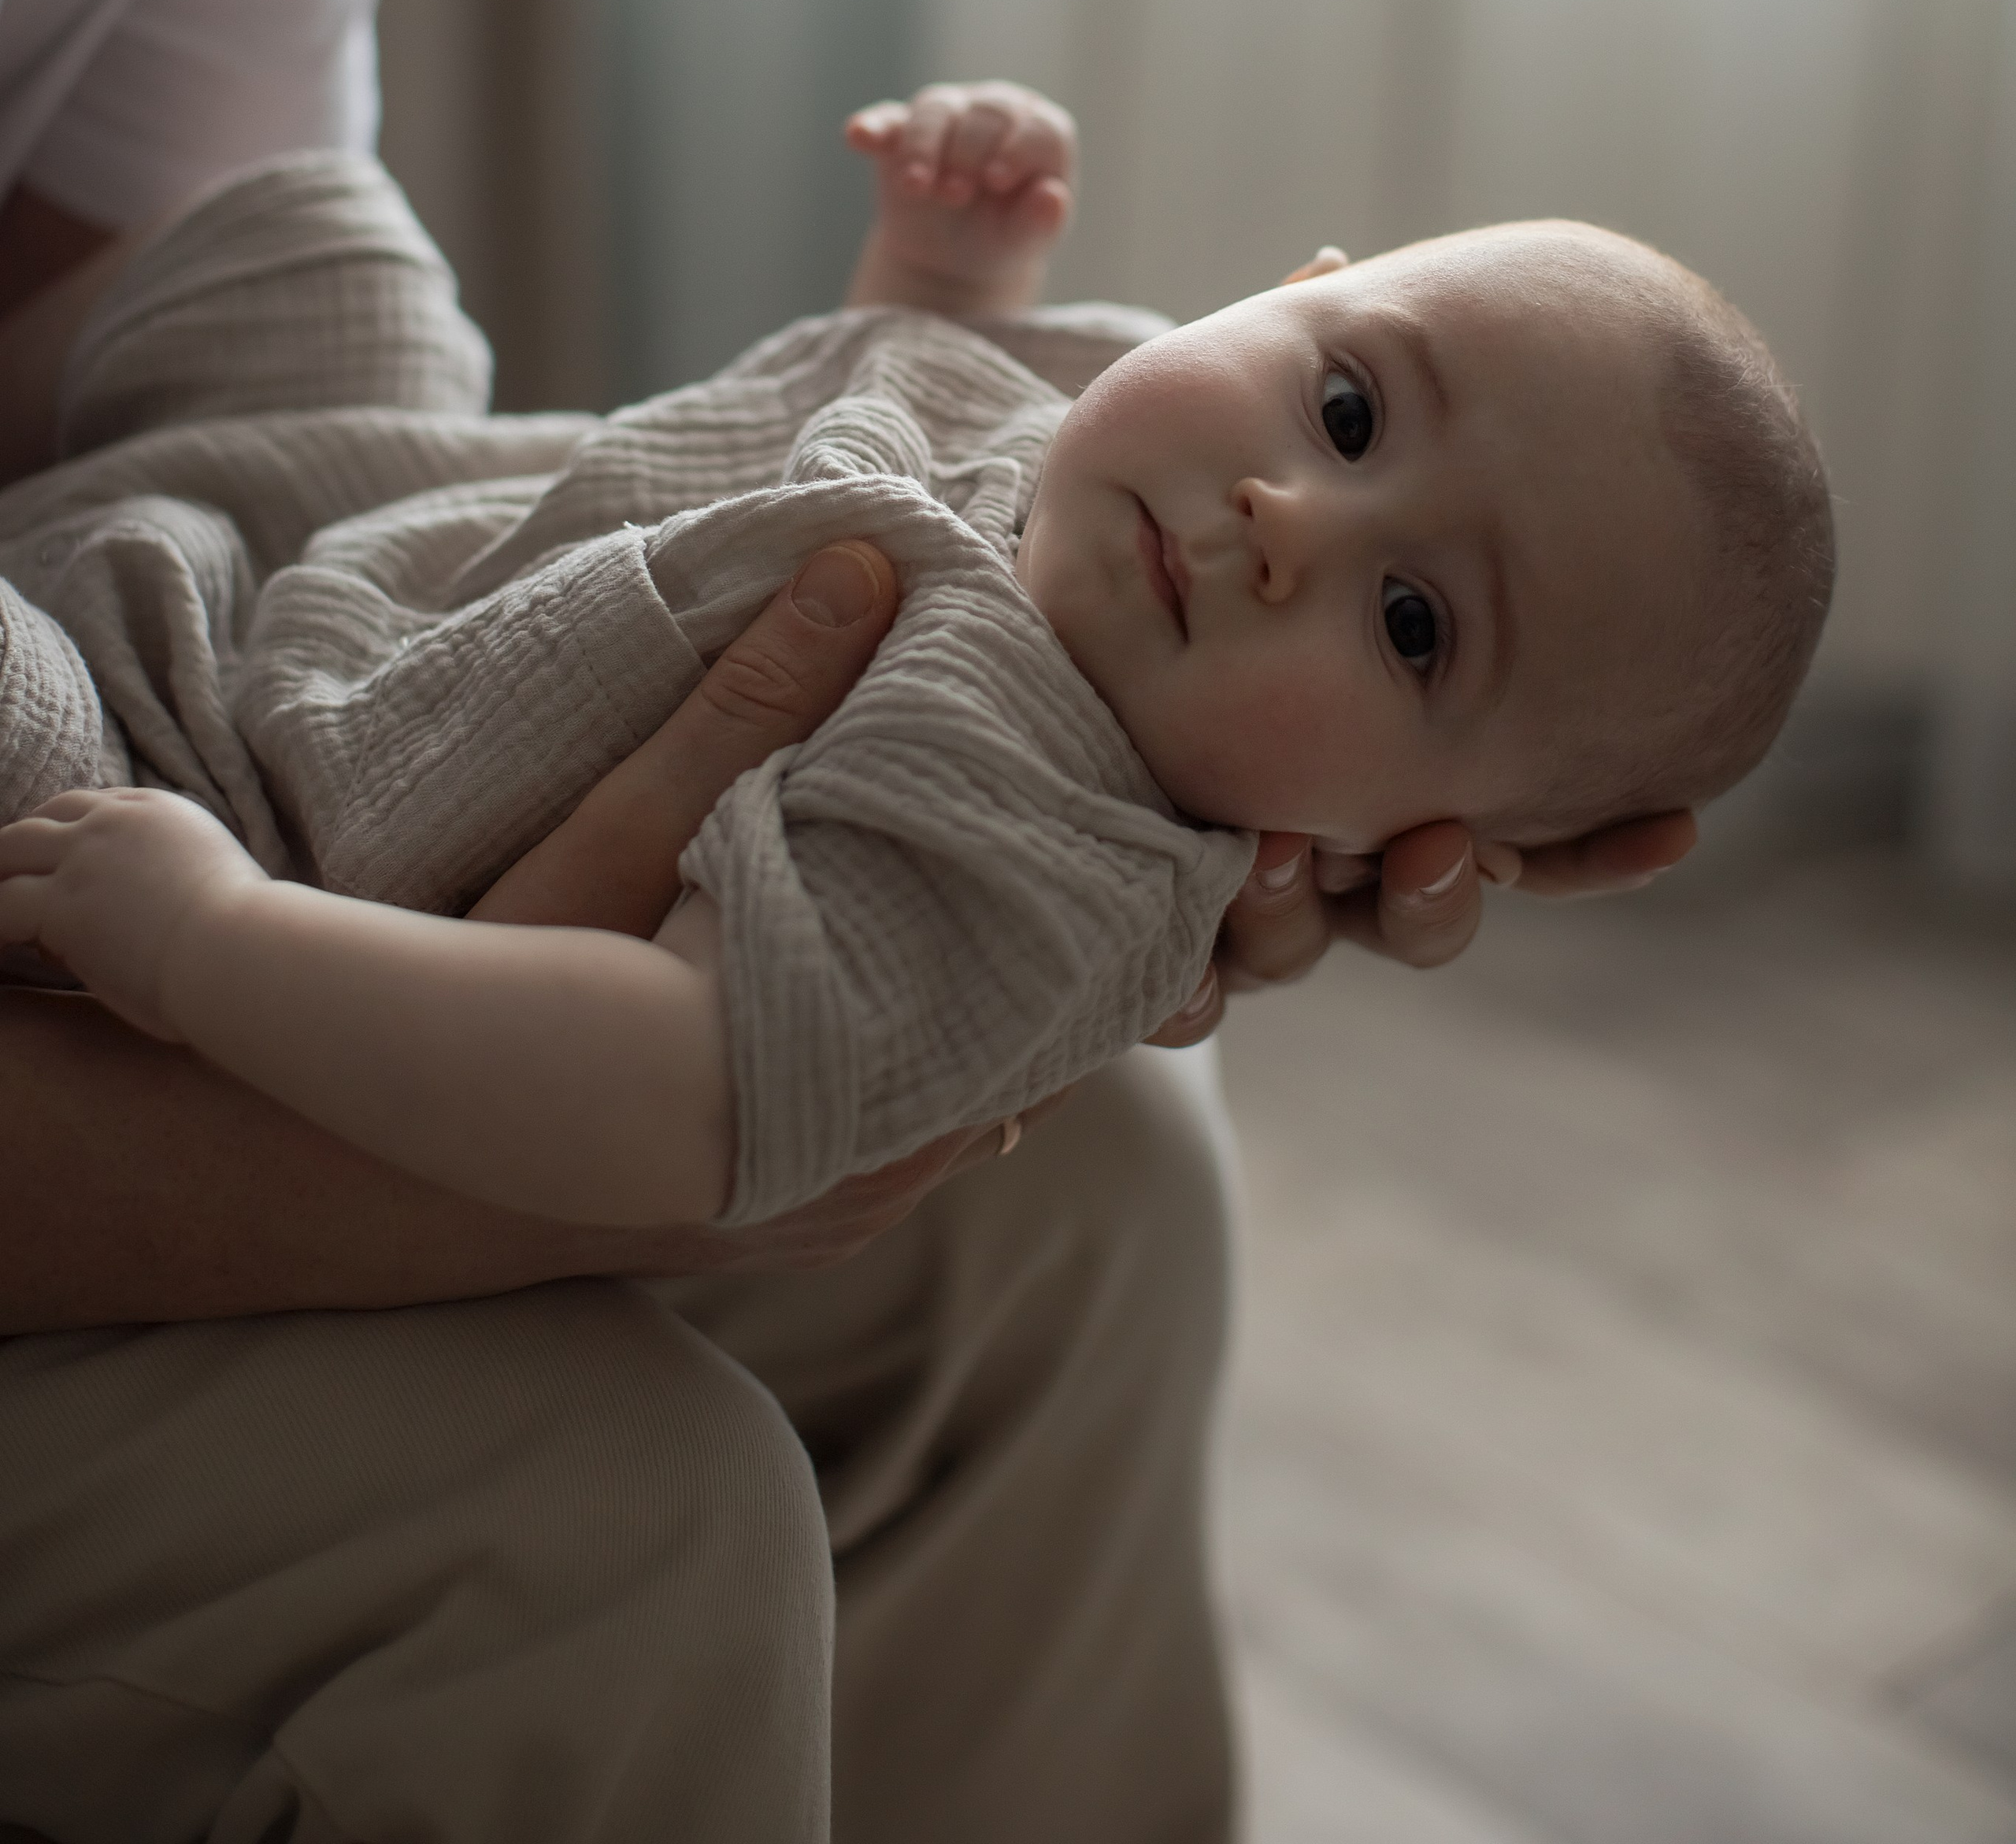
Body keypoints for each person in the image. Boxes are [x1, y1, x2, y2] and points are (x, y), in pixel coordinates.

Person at [0, 0, 1702, 1835]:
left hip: (200, 702)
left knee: (1091, 1212)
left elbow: (181, 272)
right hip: (129, 862)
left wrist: (1026, 785)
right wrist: (467, 1106)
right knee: (591, 1527)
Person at [0, 87, 1832, 1243]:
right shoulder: (1106, 418)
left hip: (213, 788)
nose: (1290, 517)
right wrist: (939, 288)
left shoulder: (1038, 848)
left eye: (1411, 624)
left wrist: (210, 940)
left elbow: (674, 1090)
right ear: (1291, 283)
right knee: (324, 236)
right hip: (324, 556)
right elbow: (850, 410)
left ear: (1403, 835)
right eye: (1346, 403)